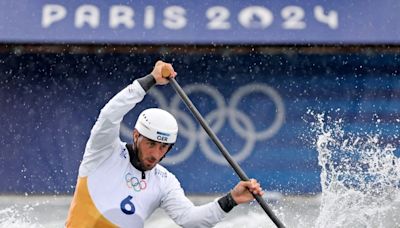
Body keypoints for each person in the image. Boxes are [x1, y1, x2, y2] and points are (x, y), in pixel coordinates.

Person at [66, 60, 264, 227]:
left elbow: (190, 220)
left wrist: (231, 199)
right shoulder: (104, 151)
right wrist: (151, 79)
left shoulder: (164, 182)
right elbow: (110, 115)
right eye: (151, 144)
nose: (156, 154)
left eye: (163, 148)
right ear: (136, 135)